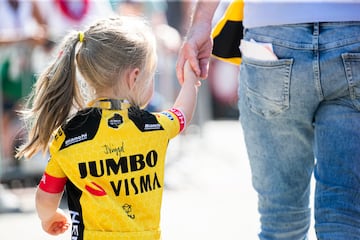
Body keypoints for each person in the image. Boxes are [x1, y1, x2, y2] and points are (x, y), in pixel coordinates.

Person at [176, 1, 360, 239]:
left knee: (281, 220)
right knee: (345, 217)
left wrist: (201, 23)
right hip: (352, 33)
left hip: (271, 34)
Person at [16, 16, 200, 239]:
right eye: (153, 75)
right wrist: (191, 80)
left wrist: (49, 218)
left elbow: (46, 196)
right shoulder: (153, 127)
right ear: (134, 78)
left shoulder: (69, 136)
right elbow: (182, 114)